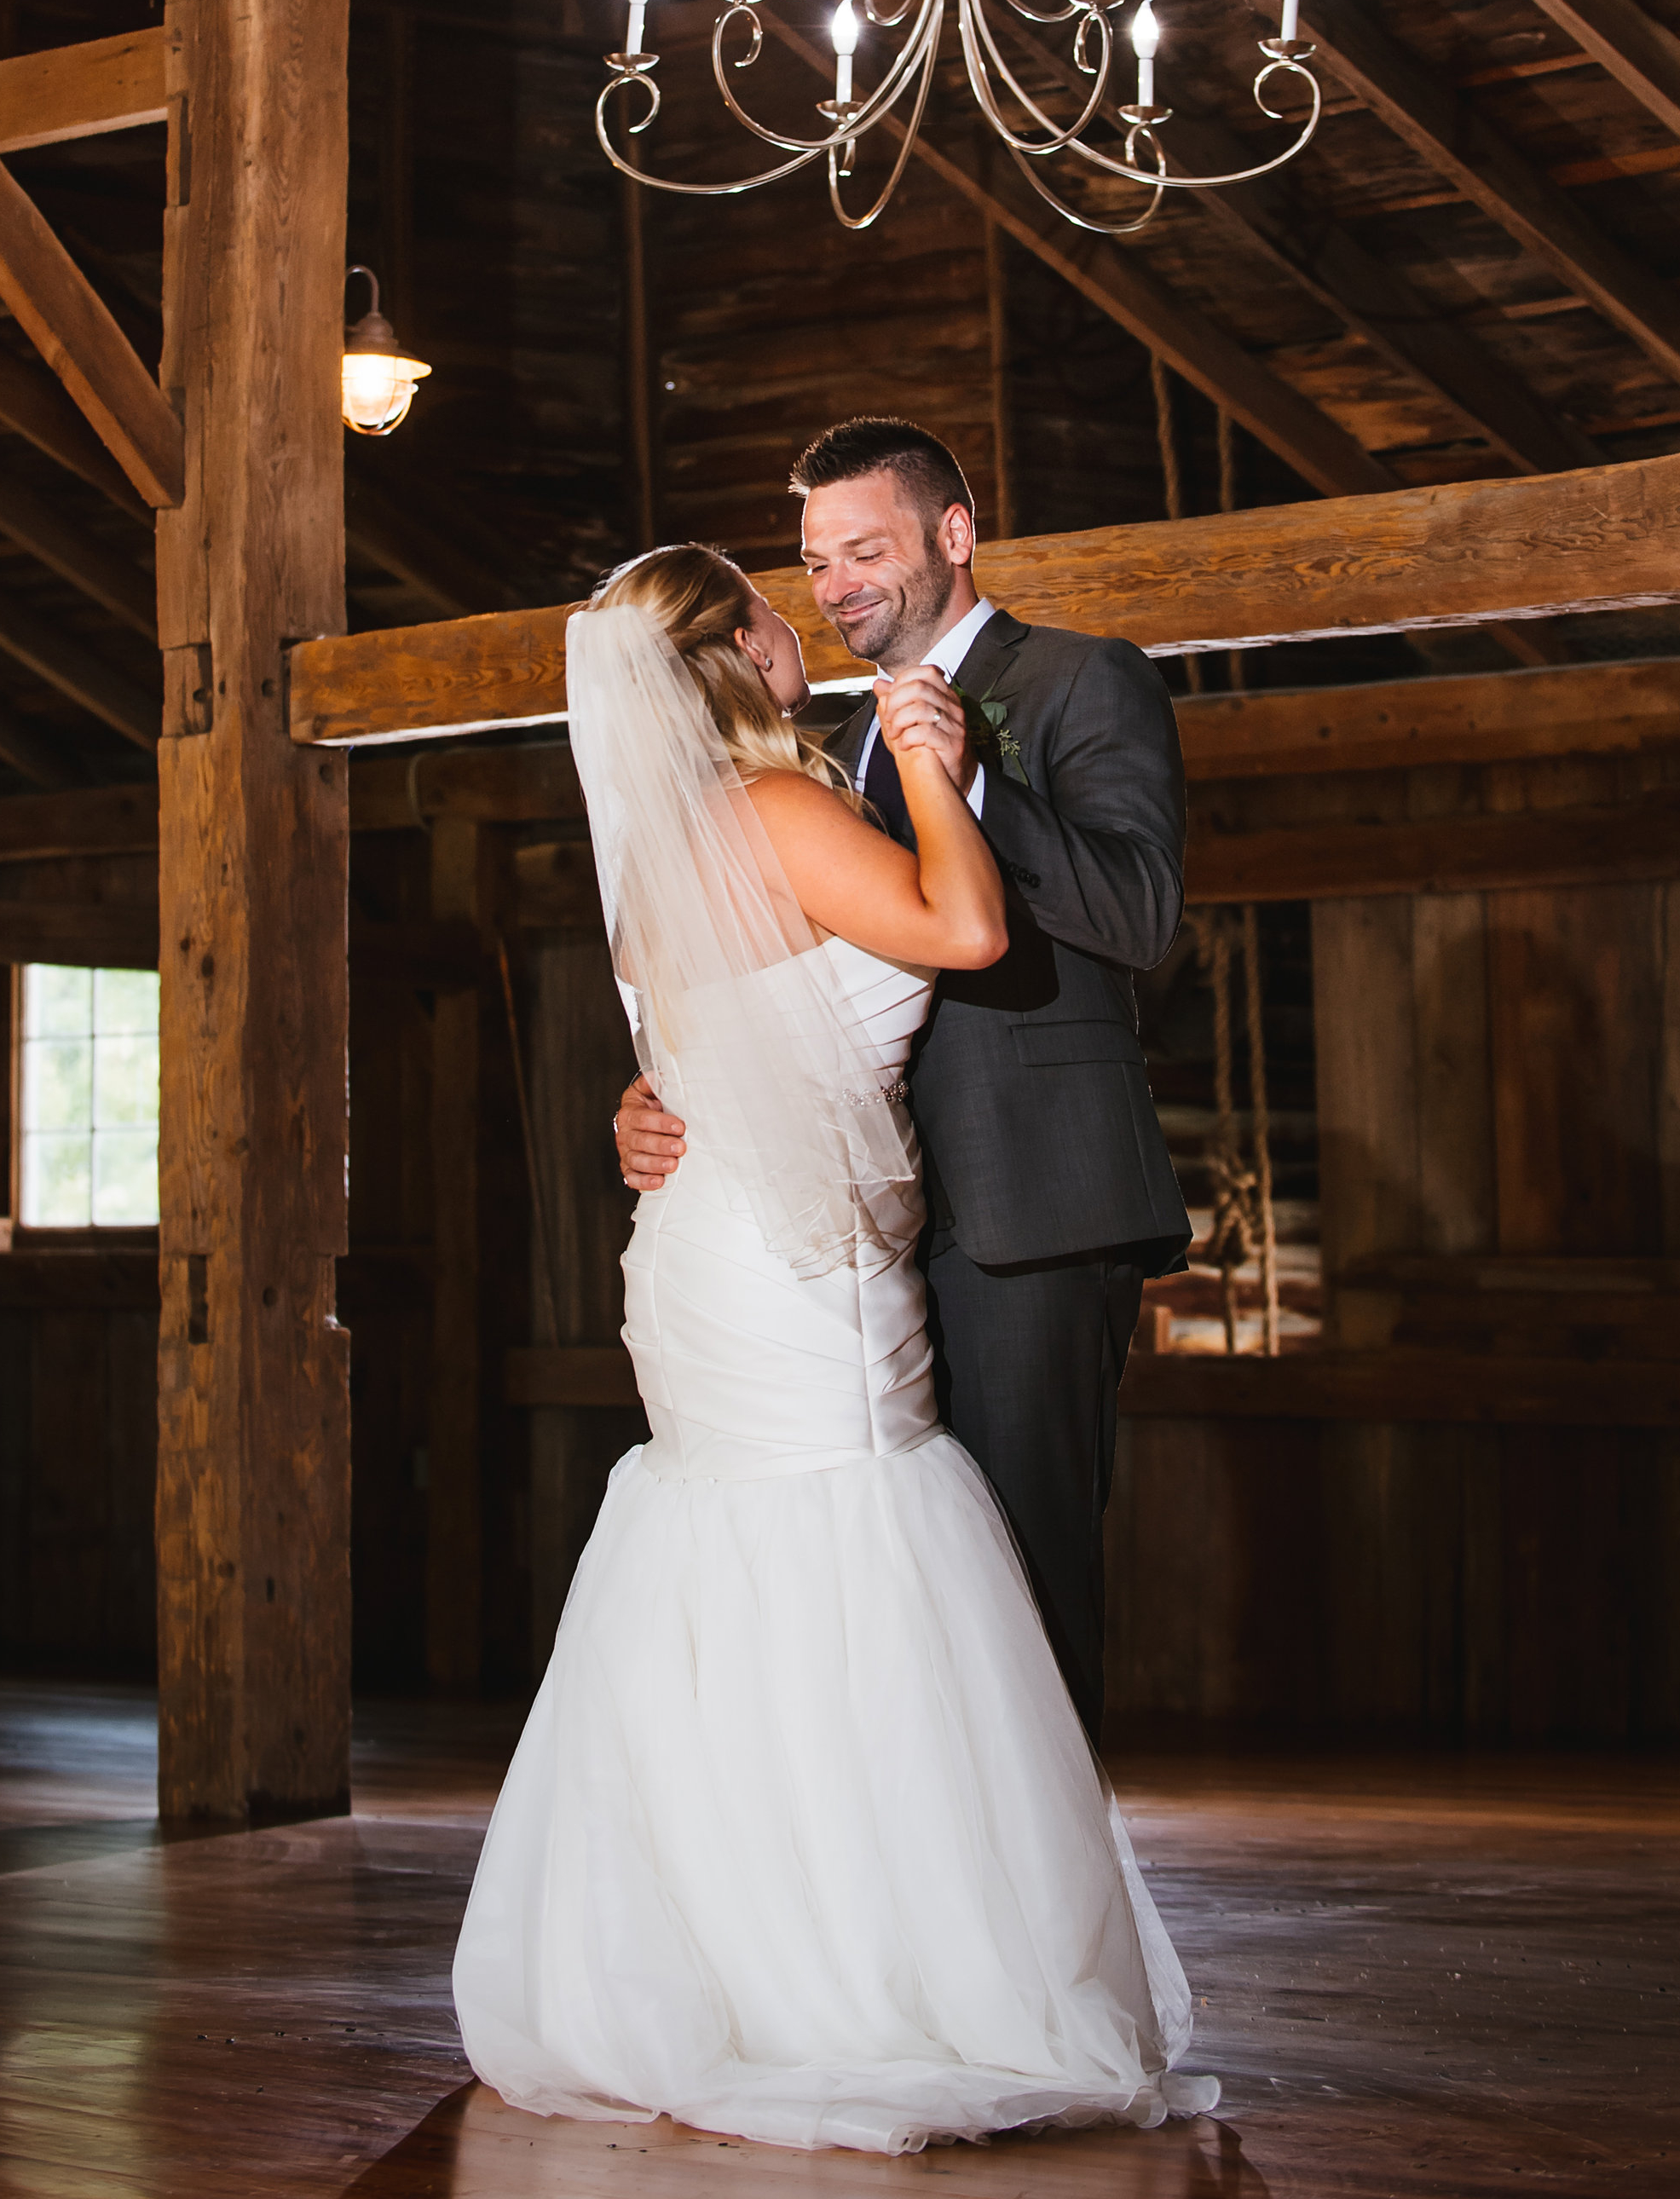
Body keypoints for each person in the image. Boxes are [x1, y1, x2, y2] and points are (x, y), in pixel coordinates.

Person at [453, 545, 1215, 2155]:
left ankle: (726, 1961)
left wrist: (640, 1111)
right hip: (795, 1270)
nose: (801, 618)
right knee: (855, 1551)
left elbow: (702, 1041)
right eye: (773, 601)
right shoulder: (782, 813)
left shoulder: (665, 843)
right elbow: (959, 926)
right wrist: (939, 776)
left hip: (716, 1251)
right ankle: (864, 1975)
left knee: (739, 1567)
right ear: (736, 652)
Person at [615, 418, 1190, 1741]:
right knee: (903, 1603)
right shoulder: (801, 757)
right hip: (848, 1244)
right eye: (814, 565)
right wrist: (664, 1096)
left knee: (1023, 1600)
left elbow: (1146, 912)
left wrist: (974, 782)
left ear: (954, 532)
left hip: (1027, 1208)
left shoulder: (1077, 682)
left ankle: (1044, 1920)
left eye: (864, 551)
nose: (837, 588)